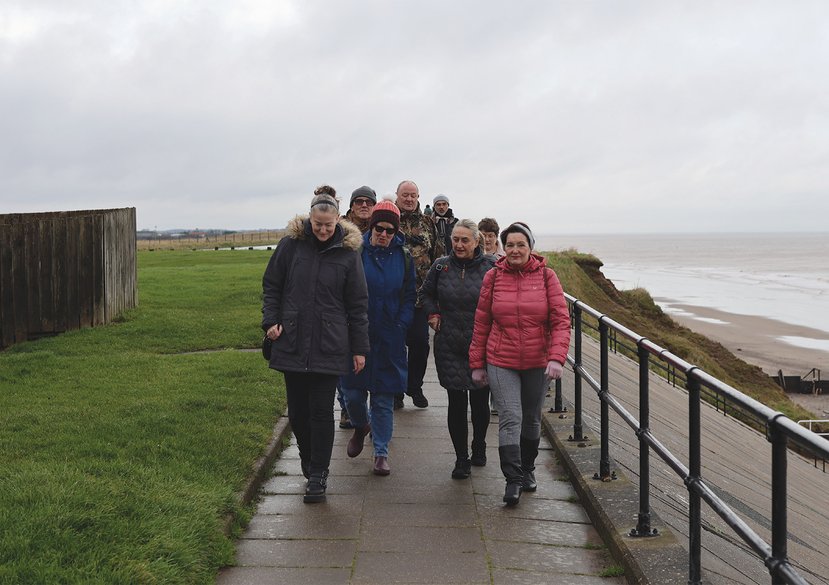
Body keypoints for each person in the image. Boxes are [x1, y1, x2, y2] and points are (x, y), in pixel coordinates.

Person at [262, 186, 369, 503]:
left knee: (322, 411)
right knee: (297, 413)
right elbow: (272, 286)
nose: (323, 229)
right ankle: (308, 463)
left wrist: (359, 348)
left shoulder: (348, 256)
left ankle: (319, 475)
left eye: (328, 224)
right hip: (291, 339)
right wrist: (270, 321)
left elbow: (358, 305)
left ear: (338, 219)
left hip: (330, 343)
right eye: (318, 223)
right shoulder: (290, 247)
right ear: (310, 218)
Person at [469, 222, 570, 506]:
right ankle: (512, 480)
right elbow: (482, 322)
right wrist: (477, 363)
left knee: (531, 418)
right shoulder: (493, 277)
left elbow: (561, 320)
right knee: (510, 416)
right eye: (510, 245)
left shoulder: (548, 277)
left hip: (538, 362)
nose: (514, 250)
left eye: (520, 245)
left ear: (530, 248)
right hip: (501, 360)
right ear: (503, 248)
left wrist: (556, 357)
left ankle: (528, 469)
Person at [341, 200, 416, 476]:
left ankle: (381, 452)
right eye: (379, 228)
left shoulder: (404, 257)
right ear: (371, 227)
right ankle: (361, 427)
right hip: (357, 335)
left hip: (390, 336)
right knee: (352, 394)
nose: (383, 235)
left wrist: (402, 323)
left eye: (389, 230)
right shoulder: (355, 252)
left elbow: (410, 296)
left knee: (384, 399)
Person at [420, 219, 496, 479]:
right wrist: (432, 314)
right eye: (456, 239)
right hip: (449, 343)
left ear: (477, 242)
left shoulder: (492, 267)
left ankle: (479, 445)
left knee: (479, 400)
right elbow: (426, 294)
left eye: (465, 240)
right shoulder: (441, 266)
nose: (459, 244)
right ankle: (461, 458)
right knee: (455, 401)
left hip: (482, 345)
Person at [394, 180, 444, 410]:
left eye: (413, 195)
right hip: (392, 297)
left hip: (418, 297)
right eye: (405, 195)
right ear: (397, 195)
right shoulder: (388, 219)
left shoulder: (427, 223)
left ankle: (414, 386)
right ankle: (395, 390)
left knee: (420, 344)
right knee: (394, 346)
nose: (409, 199)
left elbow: (438, 256)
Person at [337, 186, 377, 430]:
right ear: (351, 206)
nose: (364, 205)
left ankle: (371, 410)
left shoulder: (382, 228)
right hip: (344, 304)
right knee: (344, 361)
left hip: (374, 303)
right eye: (359, 201)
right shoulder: (340, 231)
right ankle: (346, 408)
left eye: (368, 202)